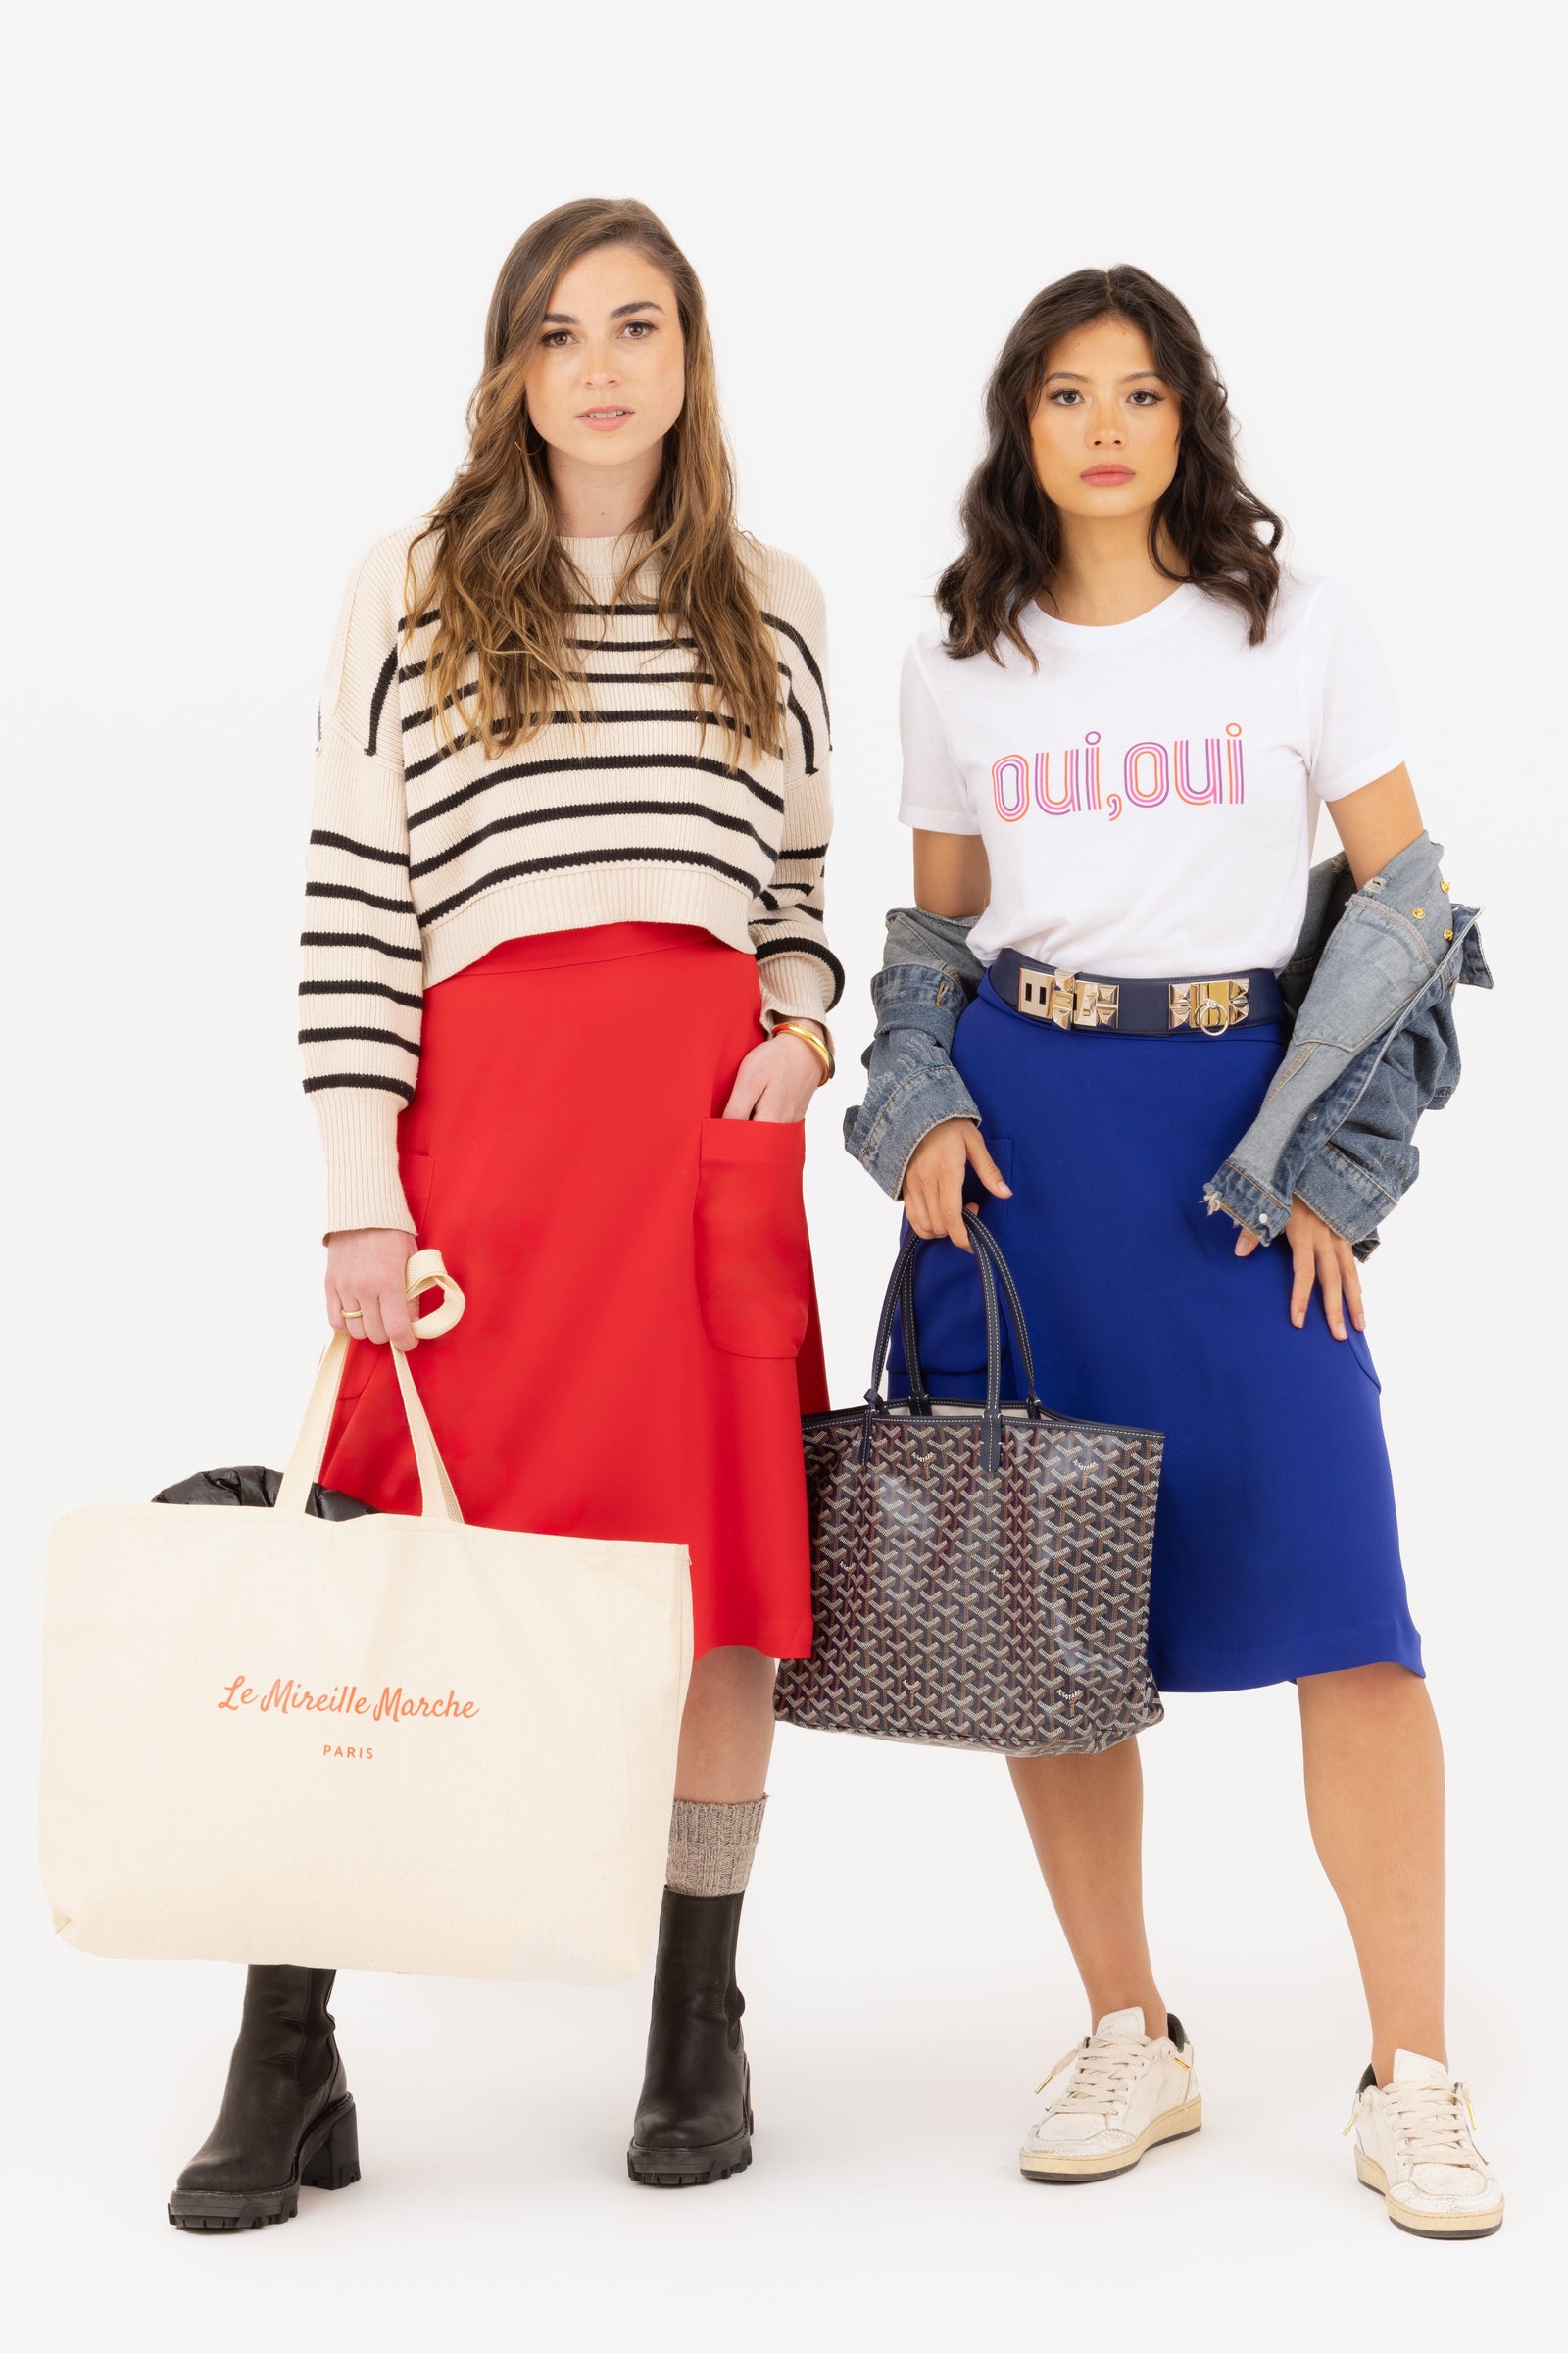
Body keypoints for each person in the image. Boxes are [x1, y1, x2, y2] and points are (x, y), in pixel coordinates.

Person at [169, 197, 839, 2231]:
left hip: (697, 1165)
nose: (602, 366)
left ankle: (695, 2022)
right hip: (486, 1160)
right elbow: (357, 901)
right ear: (512, 369)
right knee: (379, 1571)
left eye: (637, 326)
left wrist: (795, 1039)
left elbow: (798, 899)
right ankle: (286, 2051)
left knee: (712, 1590)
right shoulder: (413, 583)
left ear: (689, 356)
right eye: (560, 333)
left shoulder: (775, 601)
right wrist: (359, 1193)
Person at [846, 265, 1501, 2240]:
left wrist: (1333, 1170)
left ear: (1183, 418)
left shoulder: (1288, 628)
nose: (1104, 427)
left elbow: (1406, 901)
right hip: (1031, 1155)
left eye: (1137, 393)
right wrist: (921, 1113)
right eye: (1065, 394)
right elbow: (931, 945)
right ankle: (1128, 2026)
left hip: (1237, 1146)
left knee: (1349, 1617)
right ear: (1018, 428)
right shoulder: (958, 661)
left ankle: (1412, 2072)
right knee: (1047, 1618)